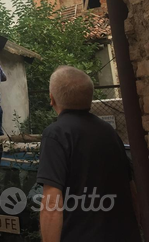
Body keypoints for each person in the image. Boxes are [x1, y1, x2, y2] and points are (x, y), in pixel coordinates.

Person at [38, 66, 140, 242]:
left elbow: (52, 204)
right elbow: (131, 189)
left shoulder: (56, 134)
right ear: (90, 99)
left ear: (52, 99)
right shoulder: (109, 132)